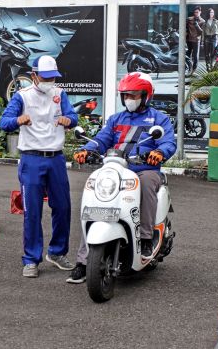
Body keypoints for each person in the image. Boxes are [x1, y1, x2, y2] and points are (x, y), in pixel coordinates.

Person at [67, 72, 177, 284]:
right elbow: (101, 139)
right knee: (94, 199)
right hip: (116, 168)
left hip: (144, 168)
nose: (129, 99)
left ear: (146, 96)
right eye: (126, 95)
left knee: (145, 184)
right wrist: (86, 149)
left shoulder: (158, 118)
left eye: (134, 95)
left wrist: (160, 153)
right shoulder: (116, 119)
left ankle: (145, 239)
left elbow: (168, 142)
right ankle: (83, 261)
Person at [0, 55, 79, 278]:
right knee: (32, 211)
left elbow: (74, 117)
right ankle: (31, 260)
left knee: (62, 207)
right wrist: (18, 120)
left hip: (55, 158)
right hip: (31, 158)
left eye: (53, 77)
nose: (49, 81)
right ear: (34, 76)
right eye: (45, 77)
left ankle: (57, 253)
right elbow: (4, 123)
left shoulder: (59, 94)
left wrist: (69, 120)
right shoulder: (21, 96)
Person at [186, 6, 205, 75]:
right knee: (187, 55)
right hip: (188, 40)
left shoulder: (203, 21)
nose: (196, 13)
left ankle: (193, 71)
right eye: (195, 12)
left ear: (200, 12)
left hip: (196, 41)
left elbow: (202, 32)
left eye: (197, 12)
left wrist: (197, 25)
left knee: (195, 57)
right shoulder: (189, 19)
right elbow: (185, 28)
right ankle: (188, 69)